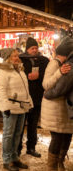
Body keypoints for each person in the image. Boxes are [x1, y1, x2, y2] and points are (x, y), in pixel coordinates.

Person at [0, 48, 33, 171]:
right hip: (10, 107)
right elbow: (1, 90)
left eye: (17, 55)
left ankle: (14, 158)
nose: (17, 58)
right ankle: (6, 160)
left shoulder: (20, 70)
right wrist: (5, 106)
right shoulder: (2, 72)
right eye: (14, 56)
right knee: (8, 135)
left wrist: (29, 102)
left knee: (18, 135)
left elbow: (25, 89)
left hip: (22, 107)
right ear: (7, 58)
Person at [41, 37, 73, 171]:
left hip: (63, 106)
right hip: (53, 106)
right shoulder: (54, 64)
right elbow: (46, 84)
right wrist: (59, 72)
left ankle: (60, 162)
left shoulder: (67, 64)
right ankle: (51, 166)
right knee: (57, 137)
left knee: (67, 135)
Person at [18, 37, 49, 157]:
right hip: (24, 98)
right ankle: (17, 148)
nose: (35, 50)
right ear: (27, 49)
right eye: (32, 48)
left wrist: (39, 76)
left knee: (33, 124)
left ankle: (31, 147)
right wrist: (27, 75)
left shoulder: (44, 60)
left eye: (36, 48)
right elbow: (17, 74)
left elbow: (48, 75)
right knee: (20, 126)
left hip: (37, 98)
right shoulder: (21, 60)